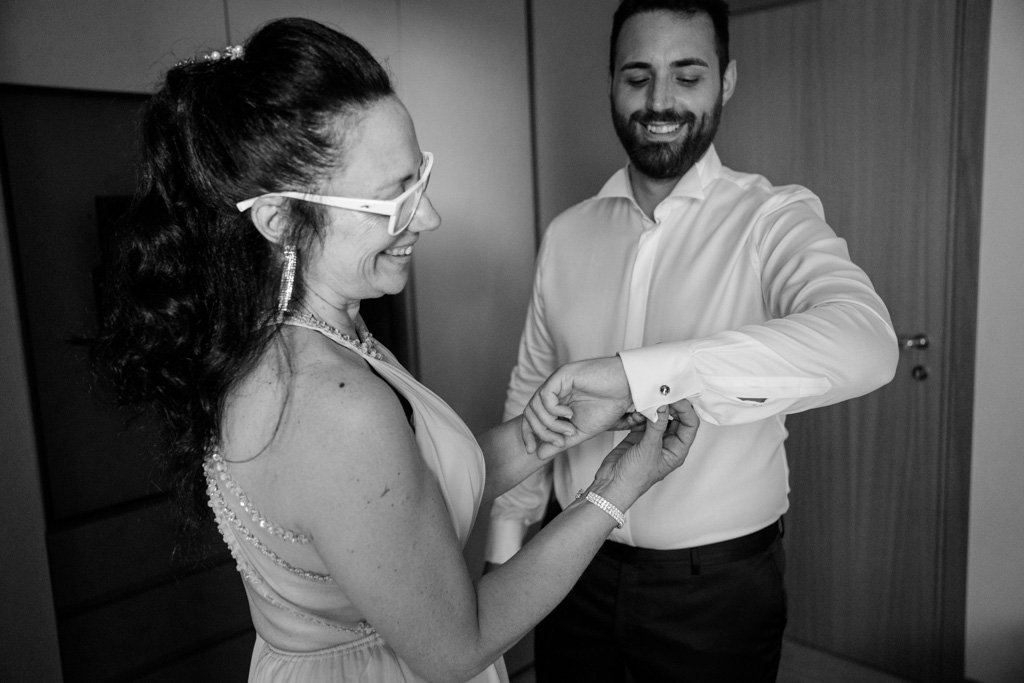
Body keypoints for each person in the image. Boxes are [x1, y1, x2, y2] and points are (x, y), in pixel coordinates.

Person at [90, 17, 701, 683]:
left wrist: (549, 433)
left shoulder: (293, 332)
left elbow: (404, 499)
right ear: (280, 219)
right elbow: (456, 647)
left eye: (420, 179)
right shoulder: (332, 402)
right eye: (393, 200)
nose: (428, 217)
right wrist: (613, 490)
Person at [486, 1, 899, 680]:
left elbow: (867, 343)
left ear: (726, 81)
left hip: (718, 592)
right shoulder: (566, 234)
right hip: (567, 565)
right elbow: (532, 389)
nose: (659, 101)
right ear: (611, 82)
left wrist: (636, 377)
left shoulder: (772, 217)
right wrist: (504, 550)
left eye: (687, 75)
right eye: (637, 76)